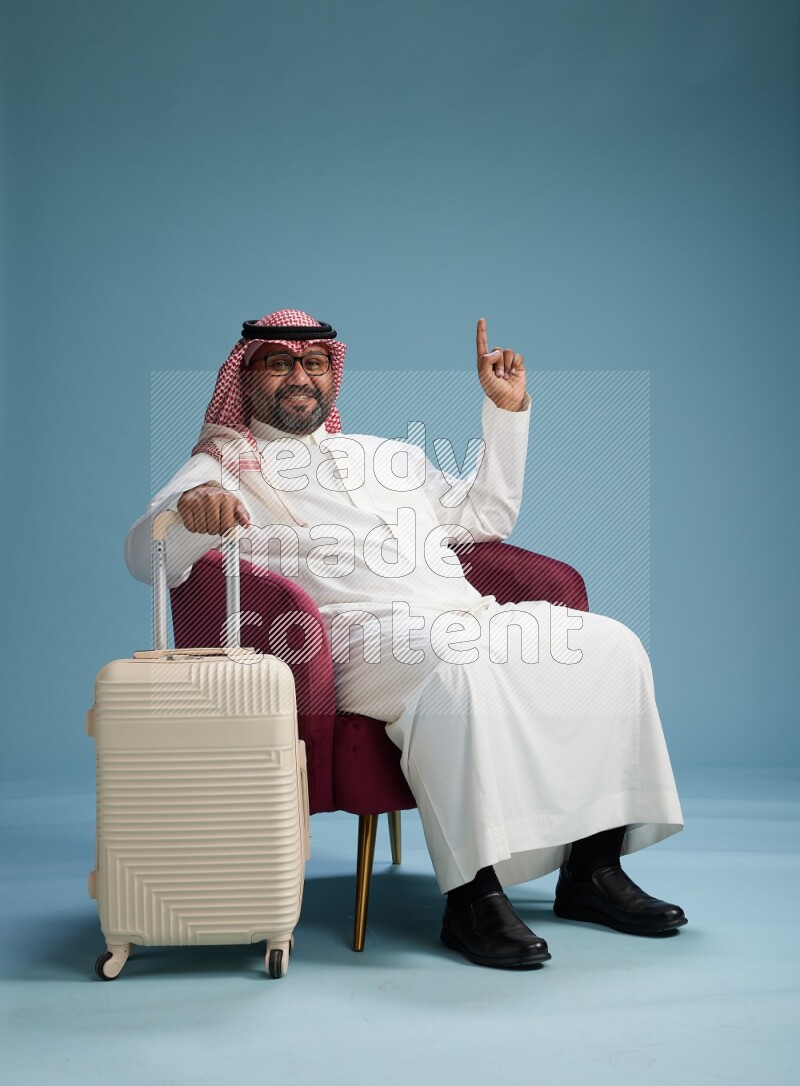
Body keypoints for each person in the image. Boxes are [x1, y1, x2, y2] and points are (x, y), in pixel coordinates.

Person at [125, 307, 687, 970]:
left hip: (465, 614)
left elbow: (487, 515)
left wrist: (505, 414)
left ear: (332, 374)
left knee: (611, 645)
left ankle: (592, 869)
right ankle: (473, 897)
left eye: (313, 364)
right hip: (353, 640)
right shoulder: (222, 468)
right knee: (456, 669)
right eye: (279, 363)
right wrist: (190, 519)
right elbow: (146, 556)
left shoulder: (386, 455)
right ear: (246, 376)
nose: (299, 377)